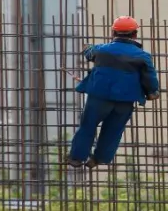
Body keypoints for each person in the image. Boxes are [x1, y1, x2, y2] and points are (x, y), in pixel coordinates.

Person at [67, 16, 160, 168]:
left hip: (99, 98)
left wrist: (86, 47)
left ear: (113, 33)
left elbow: (89, 53)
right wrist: (152, 92)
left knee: (88, 126)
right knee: (113, 131)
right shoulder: (143, 56)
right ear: (135, 34)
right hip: (125, 101)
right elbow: (150, 78)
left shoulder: (101, 50)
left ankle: (76, 157)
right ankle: (99, 158)